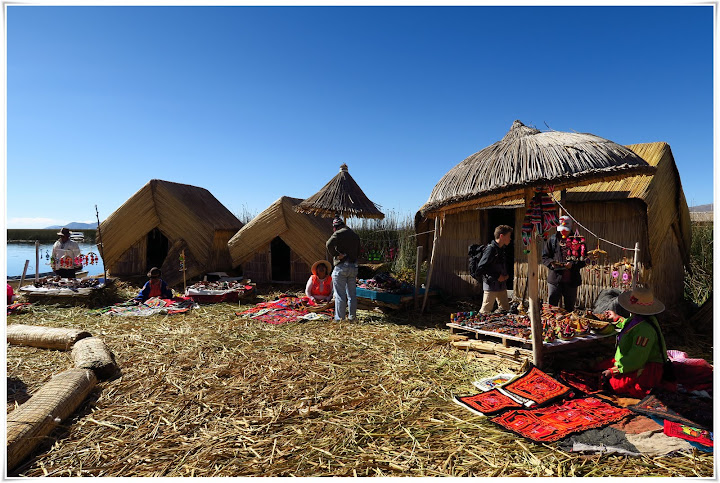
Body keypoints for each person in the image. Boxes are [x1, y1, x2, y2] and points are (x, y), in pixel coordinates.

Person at [599, 286, 670, 398]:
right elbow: (629, 325)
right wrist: (616, 318)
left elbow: (636, 358)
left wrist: (614, 371)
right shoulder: (639, 318)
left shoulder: (645, 330)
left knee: (612, 385)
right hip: (632, 361)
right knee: (598, 367)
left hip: (645, 367)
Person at [541, 215, 586, 311]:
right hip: (555, 279)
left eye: (565, 229)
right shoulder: (553, 240)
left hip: (571, 281)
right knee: (552, 307)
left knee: (569, 309)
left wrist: (573, 265)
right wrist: (551, 263)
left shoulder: (578, 241)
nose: (563, 232)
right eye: (561, 229)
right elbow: (544, 257)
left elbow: (584, 260)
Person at [325, 216, 361, 321]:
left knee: (340, 294)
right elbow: (359, 250)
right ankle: (352, 317)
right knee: (352, 295)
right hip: (353, 266)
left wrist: (336, 255)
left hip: (342, 267)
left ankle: (340, 319)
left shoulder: (339, 233)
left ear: (336, 227)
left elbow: (328, 244)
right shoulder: (354, 235)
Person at [477, 225, 513, 314]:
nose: (510, 239)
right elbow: (481, 267)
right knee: (485, 310)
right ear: (501, 236)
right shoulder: (490, 249)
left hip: (501, 285)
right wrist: (496, 276)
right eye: (508, 236)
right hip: (491, 285)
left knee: (505, 309)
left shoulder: (502, 250)